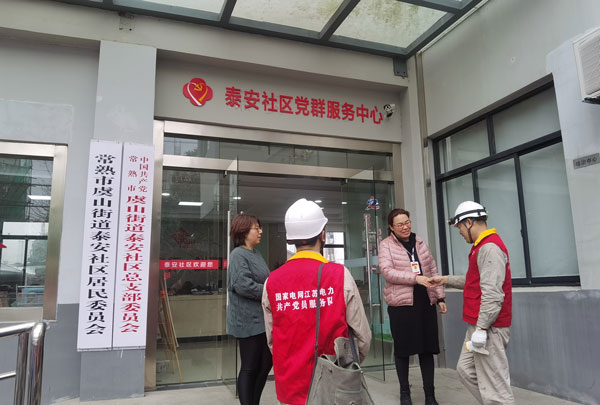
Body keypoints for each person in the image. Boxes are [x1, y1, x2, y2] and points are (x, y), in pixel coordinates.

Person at [262, 198, 371, 405]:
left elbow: (272, 340)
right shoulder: (340, 275)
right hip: (334, 387)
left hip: (290, 388)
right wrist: (347, 368)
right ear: (323, 235)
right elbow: (362, 336)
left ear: (291, 239)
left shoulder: (271, 281)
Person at [431, 201, 515, 404]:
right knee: (466, 370)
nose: (460, 232)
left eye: (459, 227)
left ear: (468, 222)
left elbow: (492, 294)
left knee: (495, 386)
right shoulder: (481, 247)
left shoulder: (490, 248)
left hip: (489, 328)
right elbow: (474, 281)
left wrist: (482, 328)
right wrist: (445, 280)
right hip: (478, 326)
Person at [378, 208, 446, 405]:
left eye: (407, 222)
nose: (405, 227)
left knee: (427, 349)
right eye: (400, 224)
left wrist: (440, 297)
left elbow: (432, 269)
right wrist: (415, 279)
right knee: (403, 350)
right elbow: (387, 271)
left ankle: (430, 395)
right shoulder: (386, 245)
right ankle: (405, 393)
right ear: (391, 227)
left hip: (425, 302)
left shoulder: (420, 242)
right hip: (402, 306)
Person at [227, 214, 273, 405]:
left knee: (265, 364)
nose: (260, 231)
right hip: (246, 321)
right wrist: (271, 291)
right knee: (250, 367)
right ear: (244, 231)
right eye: (256, 228)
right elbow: (243, 285)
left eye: (260, 227)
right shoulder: (238, 254)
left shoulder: (256, 253)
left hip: (261, 320)